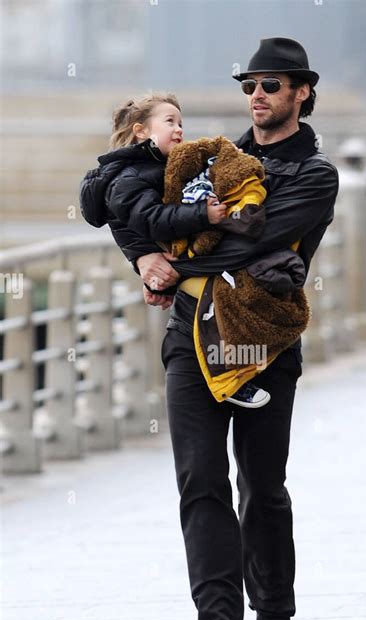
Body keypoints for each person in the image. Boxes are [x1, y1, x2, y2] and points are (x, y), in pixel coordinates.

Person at [143, 37, 339, 620]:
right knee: (199, 483)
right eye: (250, 85)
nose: (257, 95)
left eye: (272, 84)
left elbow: (254, 245)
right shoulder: (214, 161)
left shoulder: (315, 175)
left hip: (261, 341)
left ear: (301, 93)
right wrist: (144, 256)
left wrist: (181, 260)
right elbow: (139, 208)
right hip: (189, 334)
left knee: (262, 485)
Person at [80, 92, 282, 407]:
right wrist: (205, 215)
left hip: (179, 260)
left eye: (181, 123)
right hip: (181, 261)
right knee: (218, 306)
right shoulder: (130, 177)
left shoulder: (159, 167)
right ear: (141, 131)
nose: (179, 129)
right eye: (169, 121)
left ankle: (235, 373)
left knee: (228, 299)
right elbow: (153, 220)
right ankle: (230, 380)